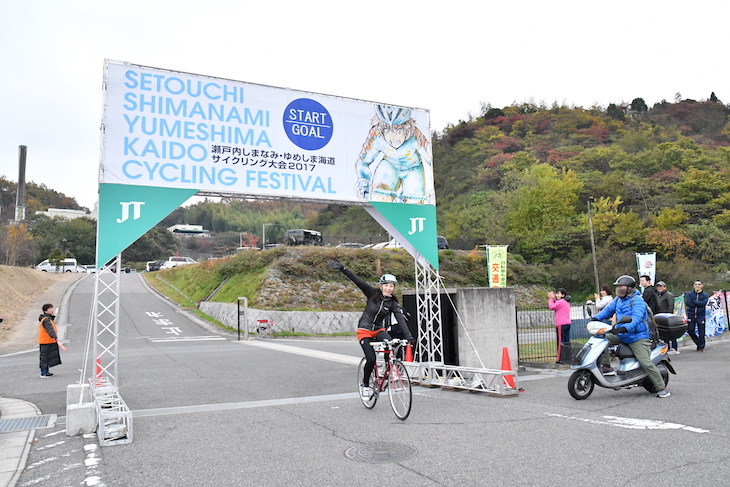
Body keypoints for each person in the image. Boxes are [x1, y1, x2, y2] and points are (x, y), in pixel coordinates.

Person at [328, 261, 415, 398]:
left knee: (390, 343)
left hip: (379, 330)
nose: (388, 288)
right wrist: (343, 269)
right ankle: (366, 384)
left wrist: (408, 336)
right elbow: (357, 281)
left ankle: (387, 370)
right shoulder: (372, 293)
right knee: (371, 358)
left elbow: (400, 319)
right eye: (386, 285)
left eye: (391, 286)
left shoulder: (392, 303)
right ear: (381, 286)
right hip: (364, 330)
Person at [593, 275, 670, 397]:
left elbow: (637, 318)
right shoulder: (618, 299)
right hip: (622, 334)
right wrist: (595, 318)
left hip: (638, 336)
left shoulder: (638, 300)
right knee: (601, 339)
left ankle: (662, 387)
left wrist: (625, 328)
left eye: (621, 287)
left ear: (629, 288)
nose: (619, 289)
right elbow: (608, 310)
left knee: (646, 362)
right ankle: (606, 366)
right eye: (618, 287)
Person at [354, 105, 434, 204]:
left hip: (413, 167)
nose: (393, 137)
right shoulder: (376, 134)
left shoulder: (416, 135)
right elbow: (363, 161)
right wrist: (363, 178)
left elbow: (431, 161)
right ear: (381, 130)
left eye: (399, 131)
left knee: (414, 205)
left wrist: (432, 188)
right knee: (379, 198)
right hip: (390, 165)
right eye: (387, 131)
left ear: (407, 128)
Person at [548, 288, 571, 364]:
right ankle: (567, 357)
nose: (557, 295)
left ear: (563, 295)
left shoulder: (561, 301)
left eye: (558, 293)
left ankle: (560, 358)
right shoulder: (565, 302)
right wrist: (553, 299)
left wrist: (551, 299)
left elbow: (552, 306)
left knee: (560, 341)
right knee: (566, 341)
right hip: (567, 323)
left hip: (561, 324)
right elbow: (556, 304)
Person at [38, 303, 62, 378]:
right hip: (45, 342)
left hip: (49, 341)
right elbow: (49, 329)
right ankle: (44, 372)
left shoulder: (48, 318)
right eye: (50, 308)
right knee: (44, 357)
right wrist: (54, 336)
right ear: (46, 310)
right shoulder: (46, 320)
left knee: (48, 357)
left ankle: (46, 371)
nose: (52, 310)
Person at [685, 280, 709, 352]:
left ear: (702, 285)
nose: (697, 285)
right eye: (695, 284)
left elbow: (703, 303)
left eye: (699, 284)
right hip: (691, 315)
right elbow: (688, 303)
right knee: (690, 330)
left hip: (700, 315)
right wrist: (698, 304)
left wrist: (694, 301)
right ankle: (698, 343)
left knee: (701, 332)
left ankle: (701, 347)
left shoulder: (704, 295)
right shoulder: (689, 294)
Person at [655, 281, 678, 354]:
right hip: (660, 317)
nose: (660, 288)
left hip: (667, 317)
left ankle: (674, 348)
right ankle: (667, 348)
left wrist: (668, 316)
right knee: (664, 334)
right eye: (658, 286)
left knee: (671, 333)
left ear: (665, 287)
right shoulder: (658, 295)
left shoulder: (668, 295)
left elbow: (670, 306)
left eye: (661, 286)